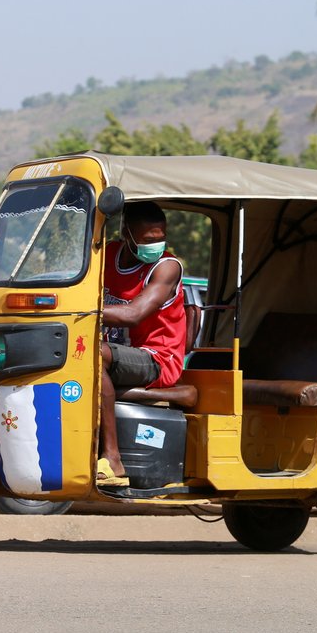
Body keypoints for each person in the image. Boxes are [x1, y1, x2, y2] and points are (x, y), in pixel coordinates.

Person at [98, 202, 186, 486]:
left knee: (92, 355)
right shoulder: (108, 254)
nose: (156, 245)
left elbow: (134, 315)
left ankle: (112, 458)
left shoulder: (166, 267)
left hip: (158, 358)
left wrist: (80, 309)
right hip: (118, 355)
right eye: (149, 240)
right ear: (126, 234)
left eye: (161, 238)